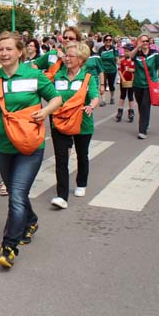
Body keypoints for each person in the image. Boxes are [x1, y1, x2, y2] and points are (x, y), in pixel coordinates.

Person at [0, 32, 62, 269]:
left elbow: (56, 98)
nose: (3, 53)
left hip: (29, 145)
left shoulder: (34, 75)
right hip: (3, 145)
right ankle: (30, 220)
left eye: (9, 49)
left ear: (20, 52)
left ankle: (9, 246)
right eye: (0, 49)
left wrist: (45, 111)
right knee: (17, 193)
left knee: (16, 194)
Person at [50, 42, 99, 209]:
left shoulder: (88, 78)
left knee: (82, 155)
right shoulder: (57, 76)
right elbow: (49, 94)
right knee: (61, 158)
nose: (67, 59)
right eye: (66, 55)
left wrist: (91, 106)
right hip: (60, 122)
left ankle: (81, 183)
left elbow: (94, 96)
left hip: (82, 122)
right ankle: (61, 196)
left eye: (71, 56)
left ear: (81, 59)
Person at [127, 34, 159, 139]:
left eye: (147, 41)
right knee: (141, 105)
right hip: (137, 84)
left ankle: (142, 130)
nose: (145, 43)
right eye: (143, 41)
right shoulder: (137, 54)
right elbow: (130, 56)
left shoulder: (155, 54)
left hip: (150, 85)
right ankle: (145, 123)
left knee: (145, 105)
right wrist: (137, 47)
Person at [117, 44, 136, 122]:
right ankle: (120, 111)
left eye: (127, 51)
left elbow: (137, 70)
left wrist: (132, 70)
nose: (125, 53)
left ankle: (131, 111)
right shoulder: (122, 61)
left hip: (131, 81)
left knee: (130, 96)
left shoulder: (134, 61)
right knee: (122, 96)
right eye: (125, 51)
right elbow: (119, 71)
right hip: (124, 81)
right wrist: (122, 79)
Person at [99, 34, 120, 106]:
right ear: (104, 41)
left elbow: (117, 58)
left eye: (110, 40)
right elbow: (99, 59)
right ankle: (103, 100)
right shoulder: (101, 49)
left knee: (111, 85)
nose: (108, 41)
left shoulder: (113, 48)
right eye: (107, 40)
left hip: (112, 69)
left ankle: (112, 97)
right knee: (103, 84)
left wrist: (119, 62)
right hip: (103, 70)